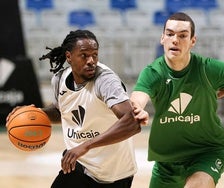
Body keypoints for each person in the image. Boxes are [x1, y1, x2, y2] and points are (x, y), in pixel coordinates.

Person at [130, 12, 224, 188]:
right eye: (170, 34)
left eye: (182, 36)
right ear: (162, 38)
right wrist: (138, 109)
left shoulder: (209, 69)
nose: (175, 40)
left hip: (207, 151)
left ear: (192, 41)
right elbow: (138, 98)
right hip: (168, 161)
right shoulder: (153, 73)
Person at [6, 30, 148, 188]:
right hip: (79, 165)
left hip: (115, 173)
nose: (91, 61)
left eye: (95, 54)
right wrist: (36, 113)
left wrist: (86, 145)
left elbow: (132, 123)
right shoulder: (59, 80)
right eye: (84, 55)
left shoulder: (105, 81)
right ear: (68, 57)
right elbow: (63, 112)